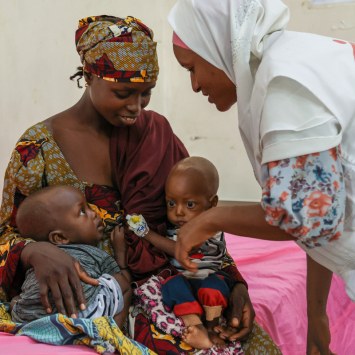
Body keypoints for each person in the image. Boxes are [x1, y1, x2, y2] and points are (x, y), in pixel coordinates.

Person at [0, 15, 282, 355]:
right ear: (89, 76)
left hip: (168, 290)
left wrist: (234, 283)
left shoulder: (156, 137)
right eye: (123, 93)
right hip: (87, 298)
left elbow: (196, 221)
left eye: (146, 94)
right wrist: (34, 251)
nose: (136, 107)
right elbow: (7, 234)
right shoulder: (38, 149)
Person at [168, 0, 355, 354]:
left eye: (192, 67)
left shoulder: (286, 83)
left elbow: (304, 218)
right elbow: (322, 213)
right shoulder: (302, 58)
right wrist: (316, 315)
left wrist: (211, 220)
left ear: (216, 46)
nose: (193, 85)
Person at [128, 157, 233, 349]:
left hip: (210, 278)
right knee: (171, 285)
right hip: (186, 281)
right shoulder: (174, 226)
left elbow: (181, 249)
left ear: (212, 203)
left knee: (214, 288)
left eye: (190, 204)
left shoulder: (211, 228)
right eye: (171, 203)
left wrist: (146, 234)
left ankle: (212, 327)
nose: (179, 212)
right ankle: (196, 326)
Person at [10, 185, 131, 328]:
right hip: (84, 312)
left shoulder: (38, 263)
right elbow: (123, 280)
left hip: (32, 317)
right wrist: (120, 253)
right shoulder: (93, 253)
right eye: (82, 211)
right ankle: (113, 332)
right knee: (122, 283)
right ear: (60, 237)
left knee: (16, 300)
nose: (94, 213)